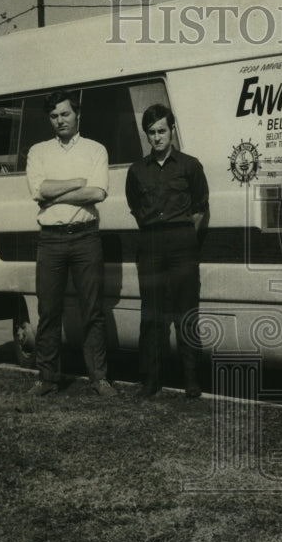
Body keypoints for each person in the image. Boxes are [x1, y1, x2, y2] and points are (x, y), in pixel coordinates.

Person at [25, 90, 114, 396]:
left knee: (92, 311)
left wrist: (54, 193)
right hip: (49, 240)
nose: (59, 120)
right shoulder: (38, 151)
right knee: (48, 310)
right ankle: (47, 379)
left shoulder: (95, 150)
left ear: (77, 115)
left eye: (64, 114)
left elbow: (98, 193)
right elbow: (38, 190)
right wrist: (77, 182)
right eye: (53, 116)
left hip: (86, 236)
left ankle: (99, 378)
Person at [125, 104, 209, 398]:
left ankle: (191, 380)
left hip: (182, 245)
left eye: (162, 130)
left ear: (172, 130)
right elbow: (136, 209)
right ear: (146, 136)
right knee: (152, 315)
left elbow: (200, 209)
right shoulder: (136, 172)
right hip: (150, 245)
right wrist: (156, 236)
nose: (157, 137)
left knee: (186, 313)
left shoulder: (190, 166)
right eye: (152, 132)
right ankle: (151, 379)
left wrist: (183, 237)